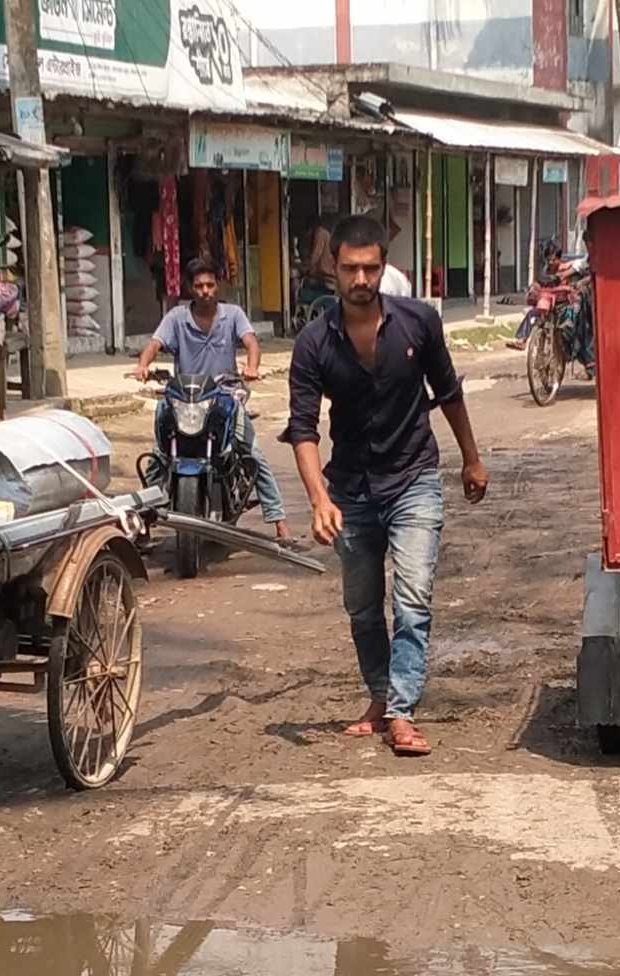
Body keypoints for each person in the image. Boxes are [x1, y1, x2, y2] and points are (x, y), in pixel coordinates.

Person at [284, 214, 489, 757]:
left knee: (414, 595)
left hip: (414, 476)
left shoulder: (419, 323)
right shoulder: (312, 342)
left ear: (383, 267)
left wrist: (472, 459)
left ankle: (401, 710)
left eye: (371, 268)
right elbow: (302, 429)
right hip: (349, 487)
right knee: (363, 606)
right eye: (350, 268)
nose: (361, 279)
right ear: (334, 269)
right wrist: (318, 499)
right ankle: (380, 696)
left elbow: (448, 392)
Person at [132, 256, 298, 547]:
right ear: (190, 288)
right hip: (185, 397)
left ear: (217, 286)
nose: (205, 290)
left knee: (252, 453)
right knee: (159, 455)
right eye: (199, 285)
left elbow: (251, 343)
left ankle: (279, 522)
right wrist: (143, 366)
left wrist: (252, 367)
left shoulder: (232, 315)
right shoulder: (176, 318)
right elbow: (153, 344)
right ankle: (143, 523)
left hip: (223, 396)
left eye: (210, 285)